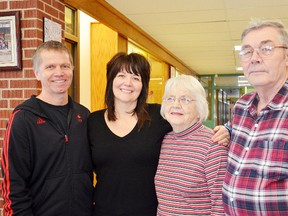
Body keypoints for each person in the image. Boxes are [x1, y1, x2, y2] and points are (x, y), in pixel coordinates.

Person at [1, 40, 93, 215]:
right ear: (37, 73)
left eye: (65, 66)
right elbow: (13, 186)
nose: (59, 73)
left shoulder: (83, 115)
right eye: (50, 67)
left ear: (72, 69)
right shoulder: (23, 118)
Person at [87, 52, 172, 215]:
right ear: (111, 80)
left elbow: (191, 122)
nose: (128, 83)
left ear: (143, 85)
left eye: (136, 77)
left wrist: (226, 130)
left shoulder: (159, 115)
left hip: (149, 211)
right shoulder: (93, 121)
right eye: (121, 75)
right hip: (103, 211)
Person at [222, 19, 288, 215]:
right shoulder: (241, 106)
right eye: (247, 51)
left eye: (266, 48)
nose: (255, 58)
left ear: (286, 56)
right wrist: (227, 130)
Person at [155, 74, 228, 215]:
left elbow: (220, 204)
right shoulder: (164, 140)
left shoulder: (213, 144)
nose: (176, 105)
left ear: (200, 106)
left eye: (185, 99)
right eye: (170, 98)